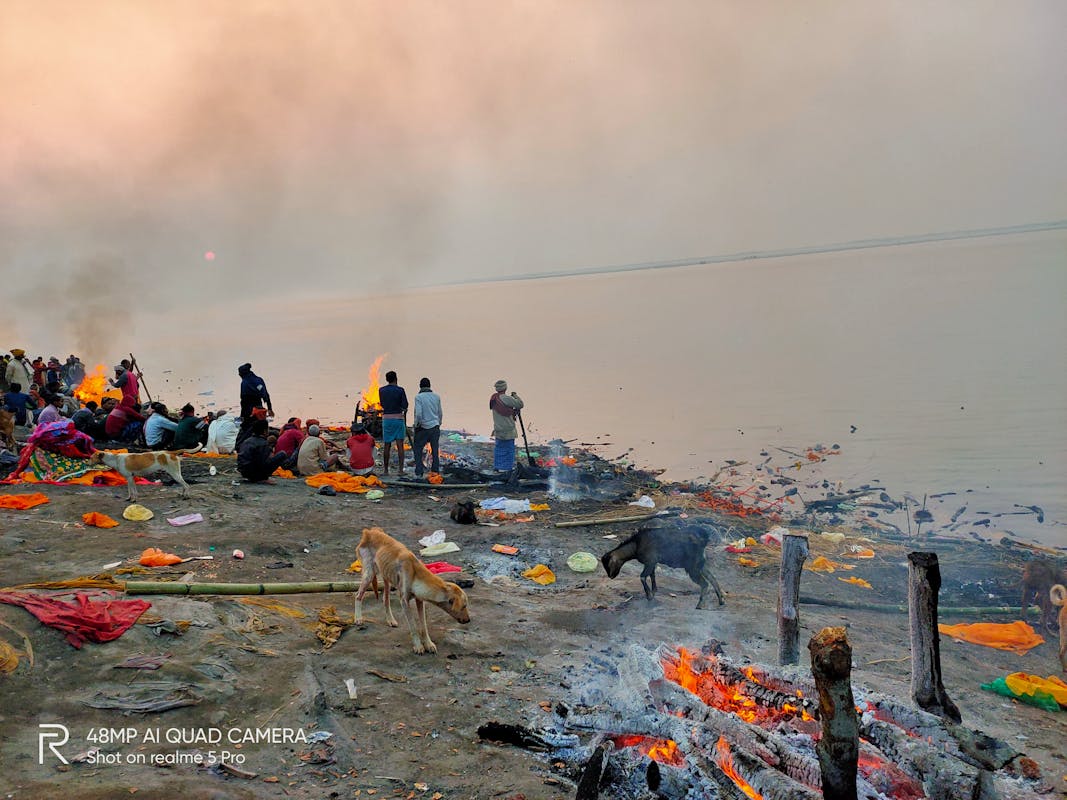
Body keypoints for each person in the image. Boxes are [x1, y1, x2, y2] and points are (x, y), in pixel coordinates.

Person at [237, 418, 288, 483]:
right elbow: (263, 462)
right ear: (264, 431)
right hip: (256, 474)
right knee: (282, 454)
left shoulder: (246, 441)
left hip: (244, 472)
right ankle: (263, 478)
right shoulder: (263, 443)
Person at [489, 379, 524, 472]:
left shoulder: (493, 398)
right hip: (508, 429)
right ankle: (506, 468)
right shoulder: (507, 398)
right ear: (505, 388)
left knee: (499, 448)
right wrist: (515, 396)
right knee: (508, 449)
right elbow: (520, 404)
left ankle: (498, 466)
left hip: (498, 428)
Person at [379, 370, 408, 476]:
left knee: (387, 444)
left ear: (387, 379)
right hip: (398, 419)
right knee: (400, 445)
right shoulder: (400, 390)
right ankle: (400, 471)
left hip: (386, 419)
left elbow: (382, 404)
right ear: (396, 378)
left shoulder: (381, 390)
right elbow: (405, 405)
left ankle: (386, 470)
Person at [412, 377, 442, 478]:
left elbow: (419, 414)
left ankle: (419, 471)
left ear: (420, 386)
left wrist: (416, 425)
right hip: (435, 426)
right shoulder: (436, 397)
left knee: (418, 449)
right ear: (429, 386)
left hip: (423, 427)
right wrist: (439, 424)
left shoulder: (418, 397)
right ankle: (435, 471)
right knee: (435, 449)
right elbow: (440, 413)